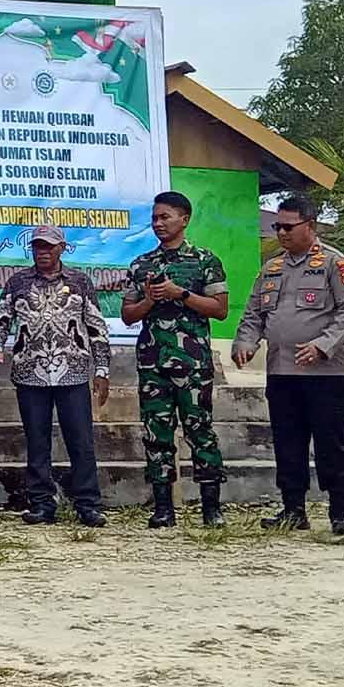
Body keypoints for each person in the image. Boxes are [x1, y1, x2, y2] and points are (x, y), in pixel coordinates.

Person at [231, 195, 344, 535]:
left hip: (327, 375)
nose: (282, 233)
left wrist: (322, 346)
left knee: (331, 442)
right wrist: (245, 341)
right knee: (287, 441)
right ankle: (293, 509)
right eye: (277, 227)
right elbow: (253, 314)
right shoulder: (272, 268)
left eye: (289, 227)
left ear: (311, 225)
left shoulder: (336, 264)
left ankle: (340, 511)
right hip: (282, 372)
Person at [0, 224, 110, 527]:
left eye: (49, 247)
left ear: (62, 249)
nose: (42, 252)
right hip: (30, 373)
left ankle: (88, 505)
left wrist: (103, 368)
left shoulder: (80, 282)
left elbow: (96, 327)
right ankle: (41, 504)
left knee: (81, 442)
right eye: (38, 247)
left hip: (74, 373)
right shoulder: (18, 282)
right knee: (37, 442)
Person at [122, 190, 229, 528]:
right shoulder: (142, 264)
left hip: (193, 364)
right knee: (156, 434)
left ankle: (211, 508)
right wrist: (151, 301)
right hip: (153, 363)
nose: (158, 224)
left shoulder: (204, 260)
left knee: (200, 431)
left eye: (164, 217)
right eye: (154, 218)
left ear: (184, 218)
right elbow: (127, 315)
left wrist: (180, 294)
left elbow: (220, 310)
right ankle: (163, 508)